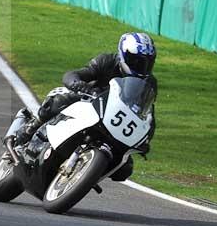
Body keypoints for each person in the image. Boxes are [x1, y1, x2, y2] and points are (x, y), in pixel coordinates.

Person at [9, 32, 158, 181]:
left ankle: (85, 177)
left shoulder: (149, 84)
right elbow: (73, 74)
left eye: (147, 63)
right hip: (88, 104)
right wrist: (79, 85)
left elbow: (147, 114)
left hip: (113, 124)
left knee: (125, 169)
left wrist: (146, 138)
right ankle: (29, 130)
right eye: (136, 61)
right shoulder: (107, 61)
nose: (141, 67)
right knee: (60, 100)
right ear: (123, 55)